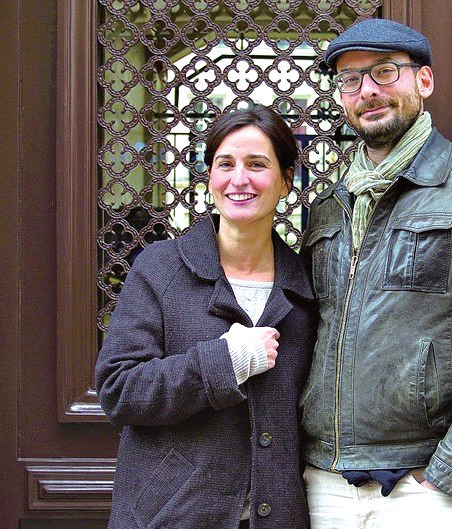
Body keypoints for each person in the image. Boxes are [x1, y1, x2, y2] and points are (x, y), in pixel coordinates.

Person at [299, 18, 452, 528]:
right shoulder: (329, 206)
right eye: (350, 79)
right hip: (326, 486)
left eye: (385, 71)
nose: (368, 91)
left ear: (424, 80)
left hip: (425, 490)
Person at [96, 104, 316, 529]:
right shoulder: (160, 269)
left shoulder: (306, 287)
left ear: (286, 180)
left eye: (257, 164)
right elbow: (118, 389)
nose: (239, 179)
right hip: (171, 517)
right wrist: (224, 362)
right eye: (225, 164)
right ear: (210, 176)